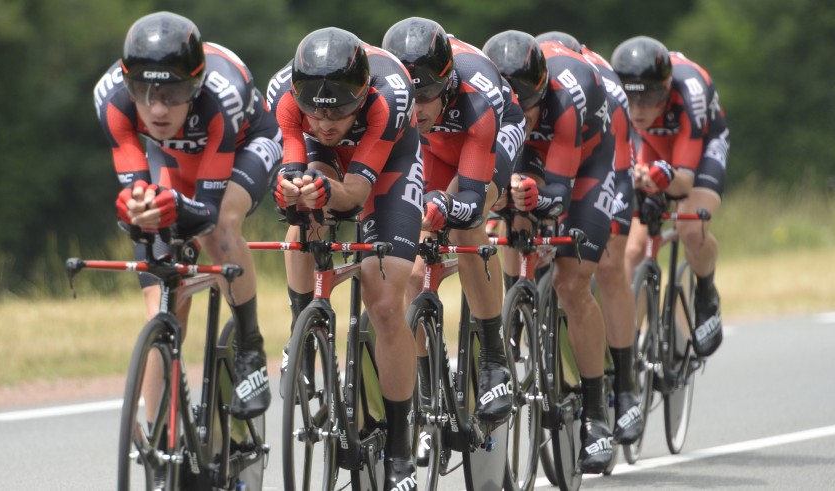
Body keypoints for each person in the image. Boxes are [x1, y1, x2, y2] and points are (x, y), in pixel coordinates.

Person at [94, 11, 281, 420]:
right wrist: (137, 209)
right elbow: (138, 195)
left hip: (244, 144)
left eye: (174, 93)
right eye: (144, 92)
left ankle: (250, 344)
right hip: (174, 155)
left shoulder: (222, 96)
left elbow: (207, 215)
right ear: (128, 84)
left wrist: (174, 210)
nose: (158, 109)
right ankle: (159, 432)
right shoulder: (109, 99)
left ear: (194, 87)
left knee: (222, 229)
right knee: (161, 303)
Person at [266, 27, 422, 491]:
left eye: (339, 109)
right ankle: (304, 327)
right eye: (315, 109)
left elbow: (355, 194)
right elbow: (296, 165)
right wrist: (293, 189)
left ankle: (398, 445)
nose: (326, 120)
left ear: (363, 92)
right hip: (325, 161)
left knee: (386, 304)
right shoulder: (286, 98)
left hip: (388, 160)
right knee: (303, 202)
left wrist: (322, 190)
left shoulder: (388, 95)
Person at [382, 17, 526, 434]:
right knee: (408, 266)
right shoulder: (388, 97)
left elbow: (472, 203)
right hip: (431, 147)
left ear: (447, 85)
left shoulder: (476, 92)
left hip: (485, 139)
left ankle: (494, 359)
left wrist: (448, 204)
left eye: (426, 94)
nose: (417, 105)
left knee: (467, 223)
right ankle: (425, 392)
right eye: (409, 95)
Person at [484, 30, 616, 473]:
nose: (519, 118)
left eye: (527, 110)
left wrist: (523, 196)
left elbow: (557, 194)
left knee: (571, 281)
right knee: (507, 221)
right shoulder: (494, 104)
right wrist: (499, 201)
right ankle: (514, 310)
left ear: (541, 94)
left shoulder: (567, 95)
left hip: (587, 162)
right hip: (530, 157)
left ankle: (596, 416)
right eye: (511, 113)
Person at [535, 30, 644, 445]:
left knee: (606, 264)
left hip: (601, 163)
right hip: (546, 156)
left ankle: (624, 388)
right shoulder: (516, 87)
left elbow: (618, 165)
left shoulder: (600, 86)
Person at [611, 36, 728, 358]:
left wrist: (659, 180)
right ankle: (627, 343)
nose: (636, 110)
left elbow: (683, 184)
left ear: (665, 89)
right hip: (653, 145)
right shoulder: (623, 104)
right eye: (630, 101)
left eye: (648, 99)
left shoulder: (690, 91)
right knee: (632, 250)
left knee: (691, 228)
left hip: (701, 147)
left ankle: (705, 294)